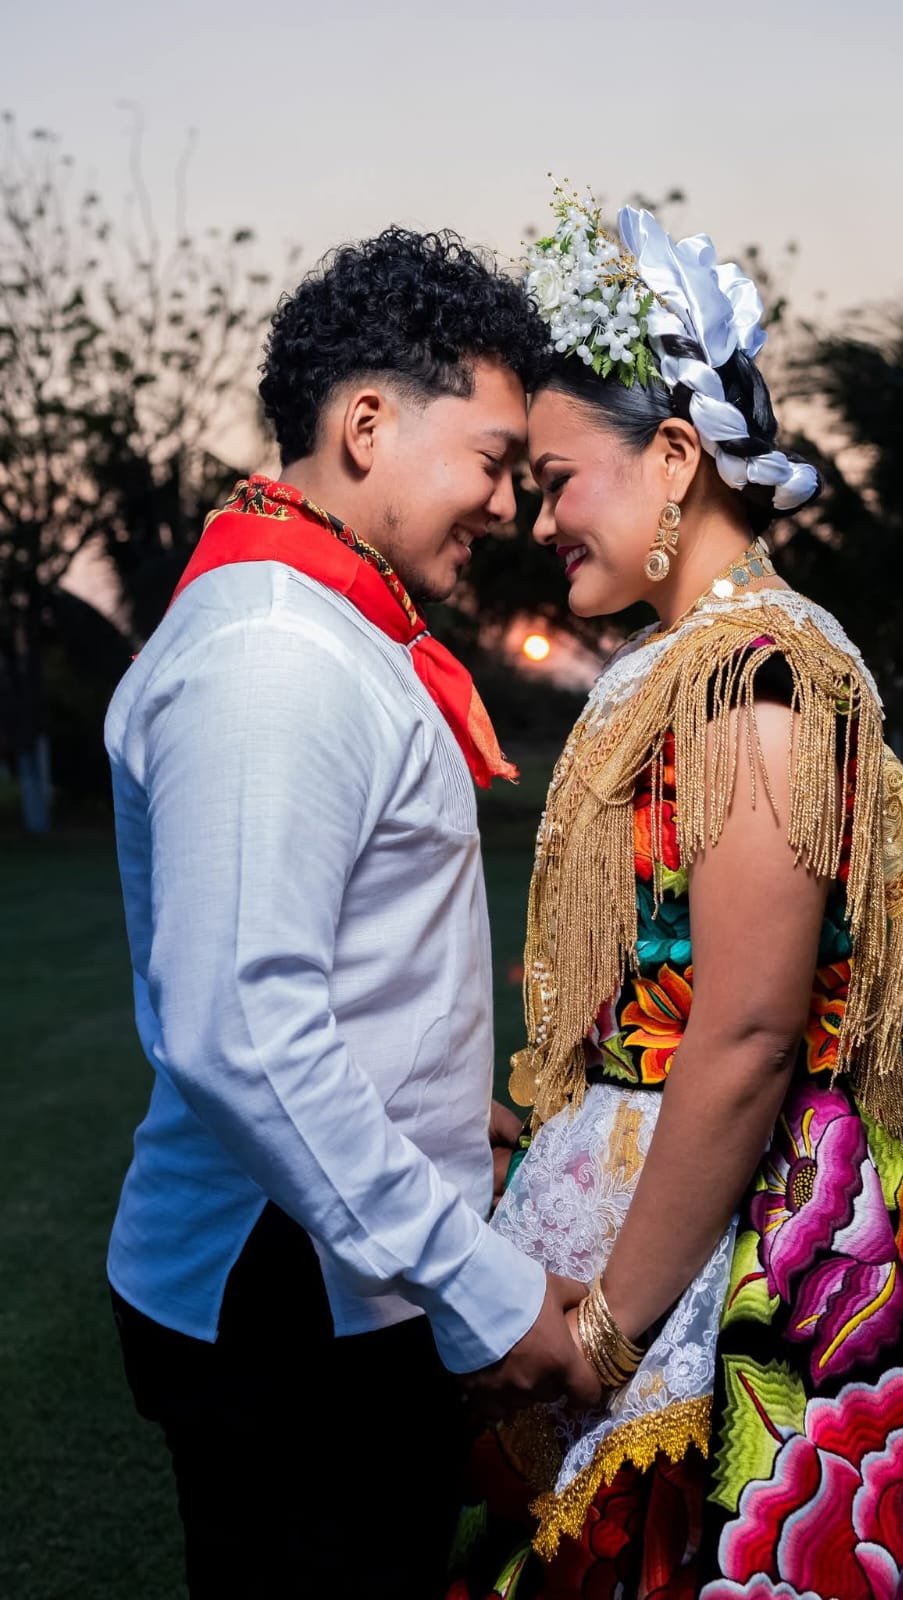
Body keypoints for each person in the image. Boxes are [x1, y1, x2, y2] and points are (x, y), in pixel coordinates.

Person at [450, 191, 903, 1599]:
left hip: (757, 1244)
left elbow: (740, 1037)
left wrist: (608, 1331)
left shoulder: (758, 682)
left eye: (560, 478)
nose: (540, 517)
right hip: (668, 1188)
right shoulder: (698, 665)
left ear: (673, 459)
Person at [104, 227, 598, 1600]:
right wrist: (483, 1291)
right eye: (493, 458)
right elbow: (240, 1034)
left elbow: (345, 962)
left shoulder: (331, 627)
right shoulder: (275, 653)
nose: (505, 503)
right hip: (288, 1304)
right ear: (367, 425)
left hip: (337, 1276)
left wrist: (462, 1115)